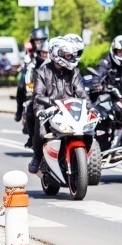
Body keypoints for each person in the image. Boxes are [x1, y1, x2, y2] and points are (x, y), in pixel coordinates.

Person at [28, 38, 89, 174]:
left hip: (71, 110)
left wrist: (92, 108)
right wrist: (40, 111)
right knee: (41, 132)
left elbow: (81, 92)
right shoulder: (41, 72)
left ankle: (87, 160)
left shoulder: (74, 72)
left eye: (72, 55)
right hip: (51, 110)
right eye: (68, 55)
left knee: (88, 131)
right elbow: (37, 95)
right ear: (57, 54)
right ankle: (37, 157)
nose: (71, 58)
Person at [16, 28, 49, 121]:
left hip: (44, 77)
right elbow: (27, 66)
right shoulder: (29, 53)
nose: (38, 43)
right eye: (36, 41)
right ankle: (19, 110)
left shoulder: (48, 49)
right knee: (21, 86)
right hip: (31, 74)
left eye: (40, 40)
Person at [22, 40, 50, 147]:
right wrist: (30, 89)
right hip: (38, 96)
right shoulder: (32, 65)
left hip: (53, 98)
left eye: (47, 53)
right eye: (43, 53)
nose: (45, 55)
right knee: (30, 111)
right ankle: (31, 138)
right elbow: (28, 79)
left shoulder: (56, 65)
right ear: (39, 53)